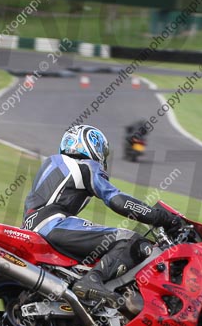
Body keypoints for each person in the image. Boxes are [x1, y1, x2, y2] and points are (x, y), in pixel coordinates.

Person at [22, 125, 184, 303]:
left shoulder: (53, 163)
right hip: (53, 225)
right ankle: (93, 280)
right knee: (130, 239)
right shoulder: (85, 166)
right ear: (91, 145)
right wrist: (159, 216)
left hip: (31, 229)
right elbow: (117, 200)